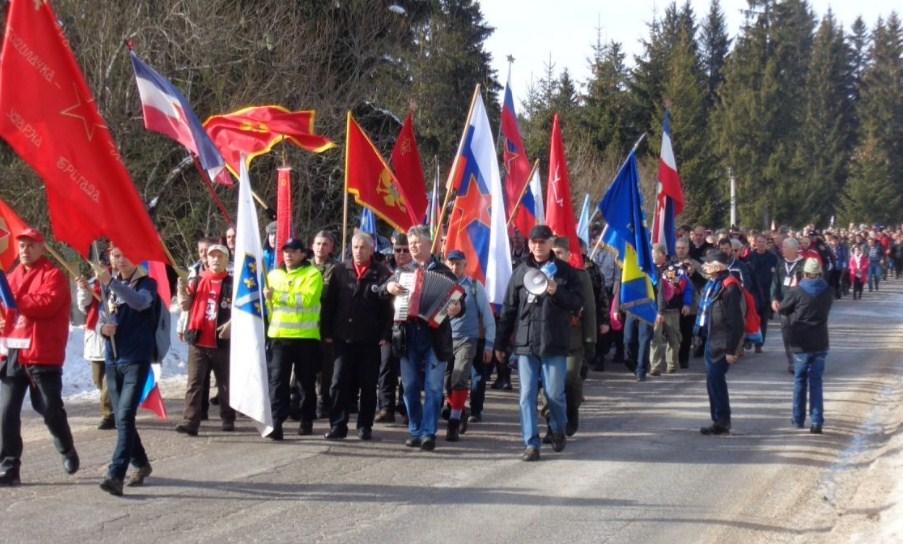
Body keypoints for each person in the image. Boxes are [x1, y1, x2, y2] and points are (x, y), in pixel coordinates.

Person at [495, 225, 582, 461]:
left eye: (542, 242)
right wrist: (500, 344)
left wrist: (557, 292)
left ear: (551, 242)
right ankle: (531, 444)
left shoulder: (565, 272)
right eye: (533, 242)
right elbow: (509, 309)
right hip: (525, 343)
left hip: (554, 342)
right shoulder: (520, 271)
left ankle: (557, 428)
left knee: (554, 394)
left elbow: (577, 302)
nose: (537, 246)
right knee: (527, 396)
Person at [0, 229, 78, 487]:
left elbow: (45, 304)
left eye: (31, 245)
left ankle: (65, 446)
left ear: (42, 248)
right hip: (14, 352)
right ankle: (9, 467)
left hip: (42, 354)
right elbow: (5, 311)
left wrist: (13, 301)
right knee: (6, 411)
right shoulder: (10, 277)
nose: (25, 250)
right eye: (21, 245)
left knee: (48, 408)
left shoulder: (53, 276)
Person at [383, 226, 461, 451]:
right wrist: (388, 287)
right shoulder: (401, 272)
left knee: (434, 386)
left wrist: (456, 308)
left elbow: (458, 301)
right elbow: (380, 289)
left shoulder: (445, 272)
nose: (414, 247)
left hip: (435, 336)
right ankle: (415, 429)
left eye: (418, 242)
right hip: (408, 334)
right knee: (409, 386)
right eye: (411, 242)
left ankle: (429, 432)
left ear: (429, 245)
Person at [97, 246, 157, 496]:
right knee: (124, 419)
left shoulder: (147, 284)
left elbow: (140, 303)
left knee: (123, 417)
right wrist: (103, 329)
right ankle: (141, 463)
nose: (120, 260)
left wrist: (111, 282)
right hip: (113, 359)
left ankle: (116, 474)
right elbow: (102, 317)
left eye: (124, 255)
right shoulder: (108, 288)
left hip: (136, 358)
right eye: (115, 256)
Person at [321, 233, 392, 441]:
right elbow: (329, 303)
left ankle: (364, 426)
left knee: (368, 385)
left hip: (370, 340)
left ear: (371, 250)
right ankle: (338, 425)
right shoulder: (340, 270)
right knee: (338, 383)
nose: (358, 251)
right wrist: (326, 331)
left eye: (362, 247)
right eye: (354, 247)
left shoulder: (382, 273)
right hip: (342, 337)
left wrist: (385, 333)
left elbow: (389, 309)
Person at [264, 238, 324, 440]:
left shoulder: (313, 274)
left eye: (293, 251)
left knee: (305, 383)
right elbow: (269, 306)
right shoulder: (273, 275)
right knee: (277, 381)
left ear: (303, 254)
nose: (288, 255)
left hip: (305, 337)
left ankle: (306, 418)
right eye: (285, 251)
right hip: (279, 336)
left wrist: (278, 296)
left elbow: (307, 300)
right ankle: (276, 422)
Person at [175, 243, 235, 436]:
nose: (216, 259)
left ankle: (228, 417)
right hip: (199, 340)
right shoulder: (198, 279)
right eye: (212, 256)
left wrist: (231, 325)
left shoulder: (232, 282)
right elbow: (185, 304)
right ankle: (191, 420)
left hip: (222, 341)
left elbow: (241, 309)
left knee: (225, 382)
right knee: (194, 382)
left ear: (226, 260)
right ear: (206, 259)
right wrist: (181, 290)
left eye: (220, 256)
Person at [548, 237, 596, 437]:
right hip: (549, 338)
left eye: (560, 253)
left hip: (573, 339)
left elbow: (590, 309)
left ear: (569, 255)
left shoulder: (580, 276)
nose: (556, 257)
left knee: (569, 378)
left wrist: (590, 339)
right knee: (549, 383)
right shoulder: (540, 276)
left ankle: (571, 410)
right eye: (554, 253)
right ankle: (552, 424)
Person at [444, 249, 495, 437]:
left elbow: (488, 317)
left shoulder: (474, 287)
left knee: (460, 377)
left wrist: (489, 344)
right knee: (446, 381)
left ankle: (454, 421)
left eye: (458, 263)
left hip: (467, 340)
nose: (454, 267)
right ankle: (459, 409)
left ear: (465, 265)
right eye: (451, 263)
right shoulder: (442, 284)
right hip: (444, 341)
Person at [779, 258, 833, 434]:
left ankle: (798, 418)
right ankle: (817, 421)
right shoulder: (828, 291)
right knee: (816, 382)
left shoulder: (798, 291)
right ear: (819, 273)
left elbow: (783, 309)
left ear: (804, 273)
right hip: (820, 341)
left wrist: (792, 287)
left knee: (800, 380)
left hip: (801, 341)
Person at [696, 251, 744, 436]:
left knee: (716, 380)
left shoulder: (729, 287)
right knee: (712, 381)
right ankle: (718, 419)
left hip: (723, 343)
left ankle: (722, 421)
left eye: (708, 264)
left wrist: (732, 349)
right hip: (711, 339)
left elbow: (736, 323)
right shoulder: (713, 284)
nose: (705, 267)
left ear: (718, 265)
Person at [375, 231, 410, 423]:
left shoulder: (417, 271)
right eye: (398, 250)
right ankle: (386, 407)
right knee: (386, 368)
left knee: (407, 371)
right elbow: (378, 295)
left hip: (409, 327)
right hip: (388, 329)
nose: (402, 254)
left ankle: (405, 408)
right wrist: (387, 289)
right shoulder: (387, 271)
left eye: (405, 250)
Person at [76, 269, 115, 430]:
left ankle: (109, 415)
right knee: (98, 379)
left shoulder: (117, 283)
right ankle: (116, 406)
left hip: (113, 335)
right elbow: (82, 305)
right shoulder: (92, 283)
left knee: (109, 381)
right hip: (95, 336)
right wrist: (83, 289)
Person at [650, 244, 693, 375]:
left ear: (662, 254)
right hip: (654, 310)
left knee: (673, 339)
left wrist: (687, 303)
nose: (652, 257)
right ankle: (655, 366)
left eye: (655, 254)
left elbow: (687, 287)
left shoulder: (674, 270)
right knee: (655, 338)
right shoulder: (648, 270)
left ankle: (672, 364)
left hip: (671, 310)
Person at [310, 230, 338, 420]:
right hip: (305, 325)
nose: (321, 248)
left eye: (325, 244)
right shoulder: (303, 267)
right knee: (304, 368)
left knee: (325, 369)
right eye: (318, 243)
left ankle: (323, 401)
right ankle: (302, 401)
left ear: (331, 248)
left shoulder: (337, 269)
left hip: (326, 324)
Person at [772, 238, 805, 374]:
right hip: (784, 306)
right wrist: (774, 298)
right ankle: (791, 361)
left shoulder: (803, 264)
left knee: (799, 334)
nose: (782, 250)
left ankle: (800, 360)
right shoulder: (780, 264)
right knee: (787, 334)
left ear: (793, 249)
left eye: (784, 247)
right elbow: (775, 283)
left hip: (799, 306)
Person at [747, 234, 778, 353]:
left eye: (763, 242)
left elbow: (775, 276)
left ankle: (759, 344)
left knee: (763, 319)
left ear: (766, 243)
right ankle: (749, 340)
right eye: (758, 242)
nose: (760, 244)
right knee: (751, 317)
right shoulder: (751, 257)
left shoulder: (772, 258)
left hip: (766, 292)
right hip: (753, 292)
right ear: (755, 243)